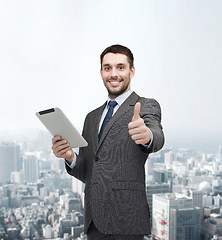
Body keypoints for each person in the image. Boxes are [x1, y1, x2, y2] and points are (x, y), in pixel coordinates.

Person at [52, 44, 165, 240]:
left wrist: (147, 135)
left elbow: (156, 134)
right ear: (101, 72)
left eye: (120, 67)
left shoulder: (146, 105)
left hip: (126, 219)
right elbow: (89, 172)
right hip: (94, 221)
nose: (114, 74)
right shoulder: (91, 118)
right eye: (107, 68)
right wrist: (70, 156)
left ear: (132, 71)